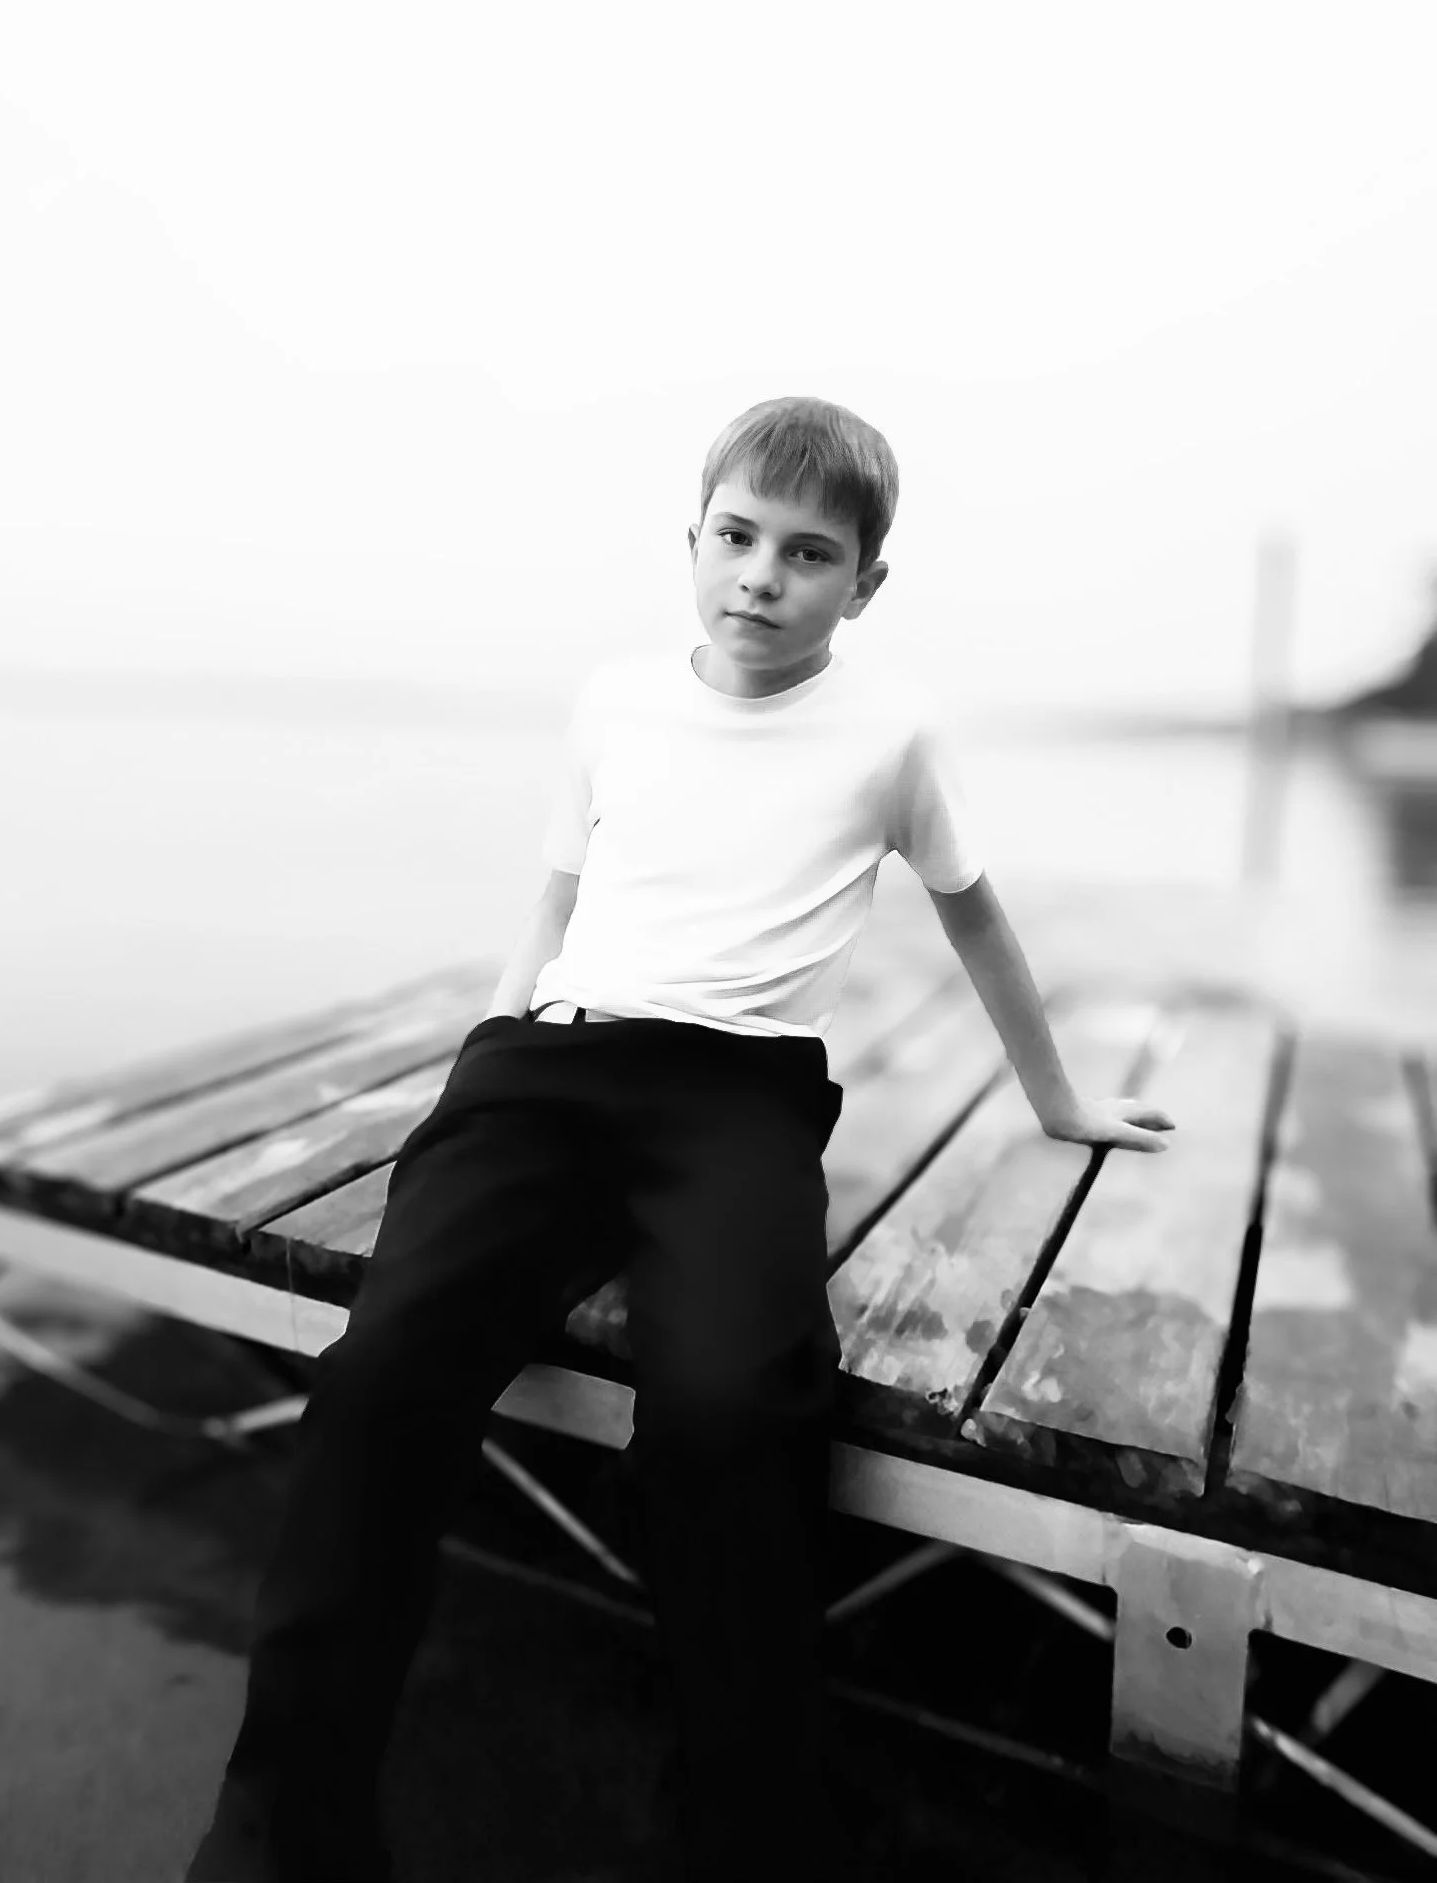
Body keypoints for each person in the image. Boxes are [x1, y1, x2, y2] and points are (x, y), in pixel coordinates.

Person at [184, 395, 1175, 1883]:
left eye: (808, 553)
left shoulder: (893, 734)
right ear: (694, 540)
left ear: (866, 584)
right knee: (383, 1379)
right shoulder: (614, 703)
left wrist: (1058, 1100)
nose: (762, 577)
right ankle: (286, 1821)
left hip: (736, 1097)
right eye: (737, 537)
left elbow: (978, 920)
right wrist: (483, 1062)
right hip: (548, 1072)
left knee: (728, 1409)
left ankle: (746, 1830)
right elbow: (557, 898)